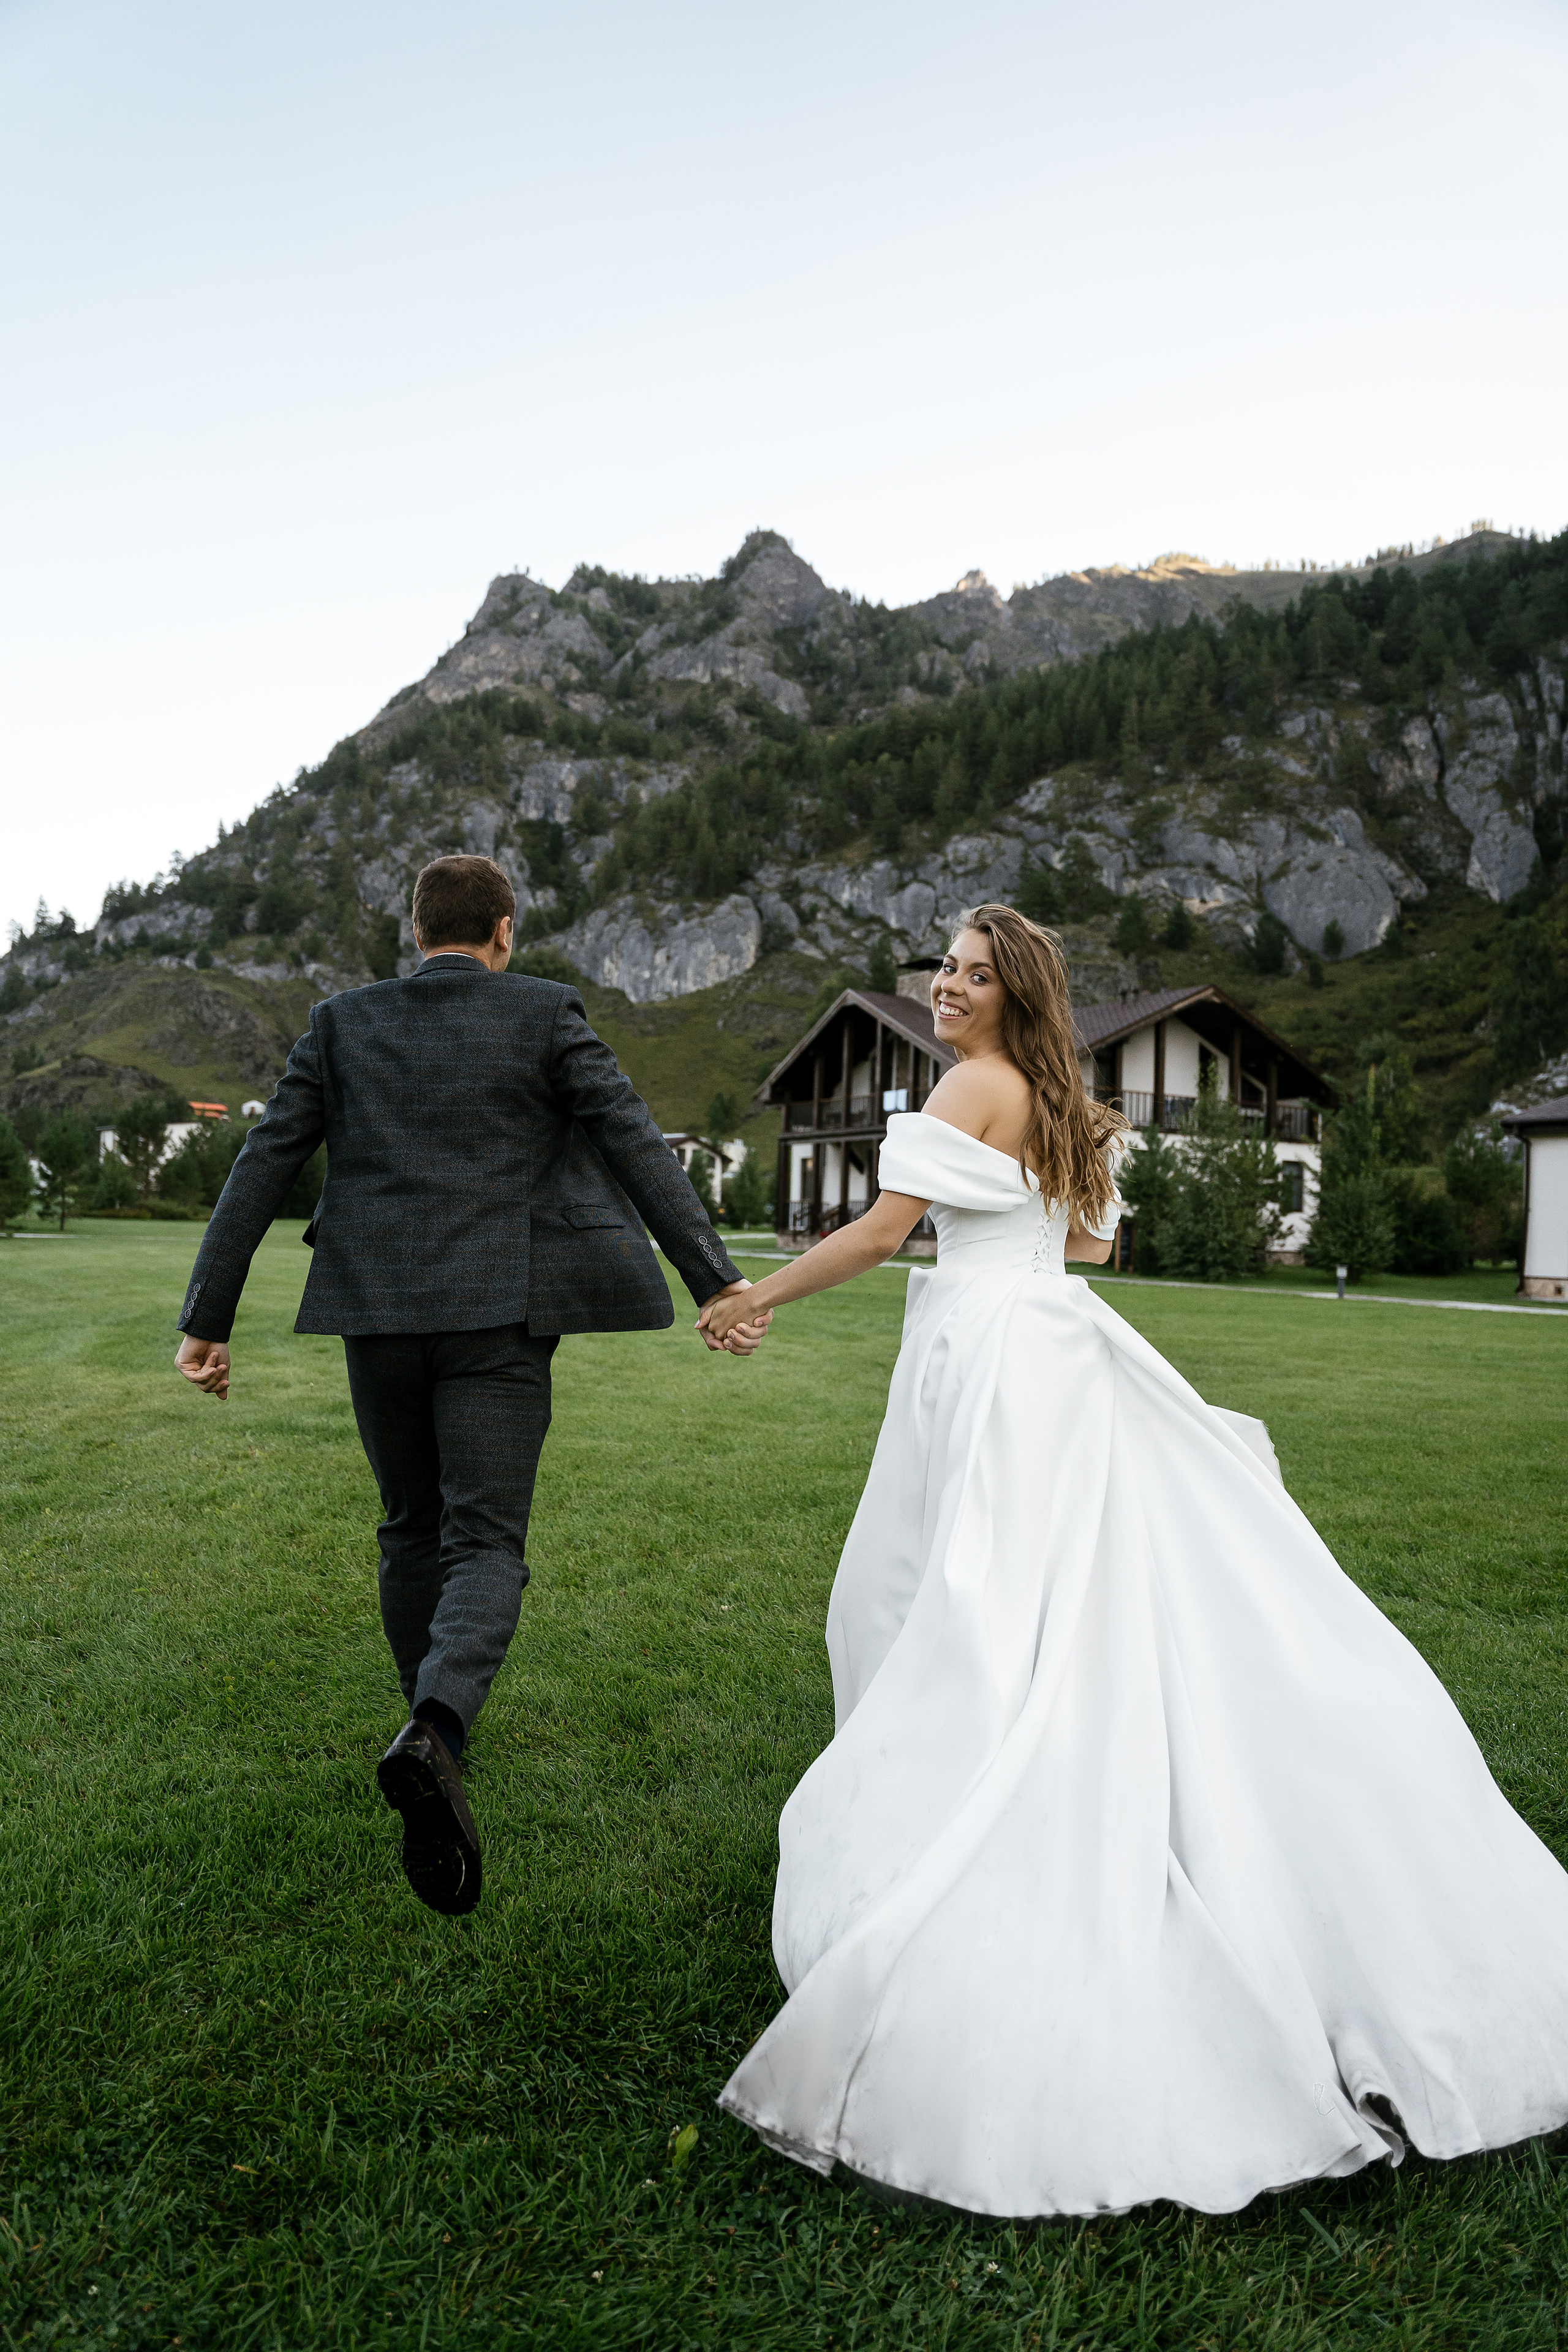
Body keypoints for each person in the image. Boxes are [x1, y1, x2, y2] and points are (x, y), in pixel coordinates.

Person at [699, 903, 1568, 2219]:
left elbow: (885, 1236)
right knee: (1057, 1586)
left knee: (953, 1596)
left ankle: (968, 1818)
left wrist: (751, 1293)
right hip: (1058, 1344)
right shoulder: (1066, 1105)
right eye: (945, 966)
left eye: (972, 975)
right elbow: (1094, 1248)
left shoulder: (968, 1088)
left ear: (1013, 995)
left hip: (986, 1358)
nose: (946, 986)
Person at [174, 854, 767, 1917]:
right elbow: (634, 1140)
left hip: (375, 1312)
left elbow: (262, 1161)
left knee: (409, 1526)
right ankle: (438, 1733)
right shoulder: (544, 1013)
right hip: (498, 1318)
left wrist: (207, 1321)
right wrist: (715, 1276)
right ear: (503, 931)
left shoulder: (340, 1022)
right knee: (484, 1541)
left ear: (417, 933)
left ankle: (423, 1727)